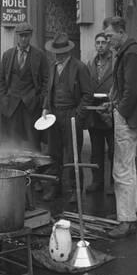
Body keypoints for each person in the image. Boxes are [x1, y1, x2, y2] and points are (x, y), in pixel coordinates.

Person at [102, 16, 137, 238]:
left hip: (128, 118)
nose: (107, 40)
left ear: (121, 31)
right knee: (128, 167)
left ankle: (125, 220)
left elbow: (131, 91)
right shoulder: (128, 51)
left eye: (109, 35)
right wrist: (114, 103)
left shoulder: (131, 53)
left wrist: (120, 112)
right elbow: (125, 87)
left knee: (121, 169)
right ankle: (129, 213)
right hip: (130, 115)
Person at [42, 32, 93, 204]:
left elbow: (88, 95)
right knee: (53, 154)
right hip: (54, 115)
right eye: (56, 53)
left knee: (73, 155)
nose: (58, 56)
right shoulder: (52, 66)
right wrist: (45, 108)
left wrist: (78, 116)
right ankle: (54, 188)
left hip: (71, 114)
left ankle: (74, 189)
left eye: (61, 53)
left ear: (68, 52)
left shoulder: (79, 67)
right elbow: (48, 90)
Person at [0, 22, 49, 153]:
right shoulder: (8, 55)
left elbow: (46, 81)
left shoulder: (39, 55)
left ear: (31, 36)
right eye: (21, 36)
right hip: (12, 105)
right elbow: (1, 81)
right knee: (12, 142)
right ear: (16, 36)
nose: (23, 39)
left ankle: (35, 171)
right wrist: (4, 99)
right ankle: (15, 170)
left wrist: (40, 100)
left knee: (33, 141)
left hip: (31, 105)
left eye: (26, 36)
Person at [86, 32, 115, 195]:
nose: (100, 45)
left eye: (103, 42)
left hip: (110, 112)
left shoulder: (115, 62)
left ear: (108, 44)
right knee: (96, 151)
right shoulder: (91, 63)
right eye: (97, 43)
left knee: (113, 151)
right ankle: (97, 181)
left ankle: (113, 183)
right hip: (94, 112)